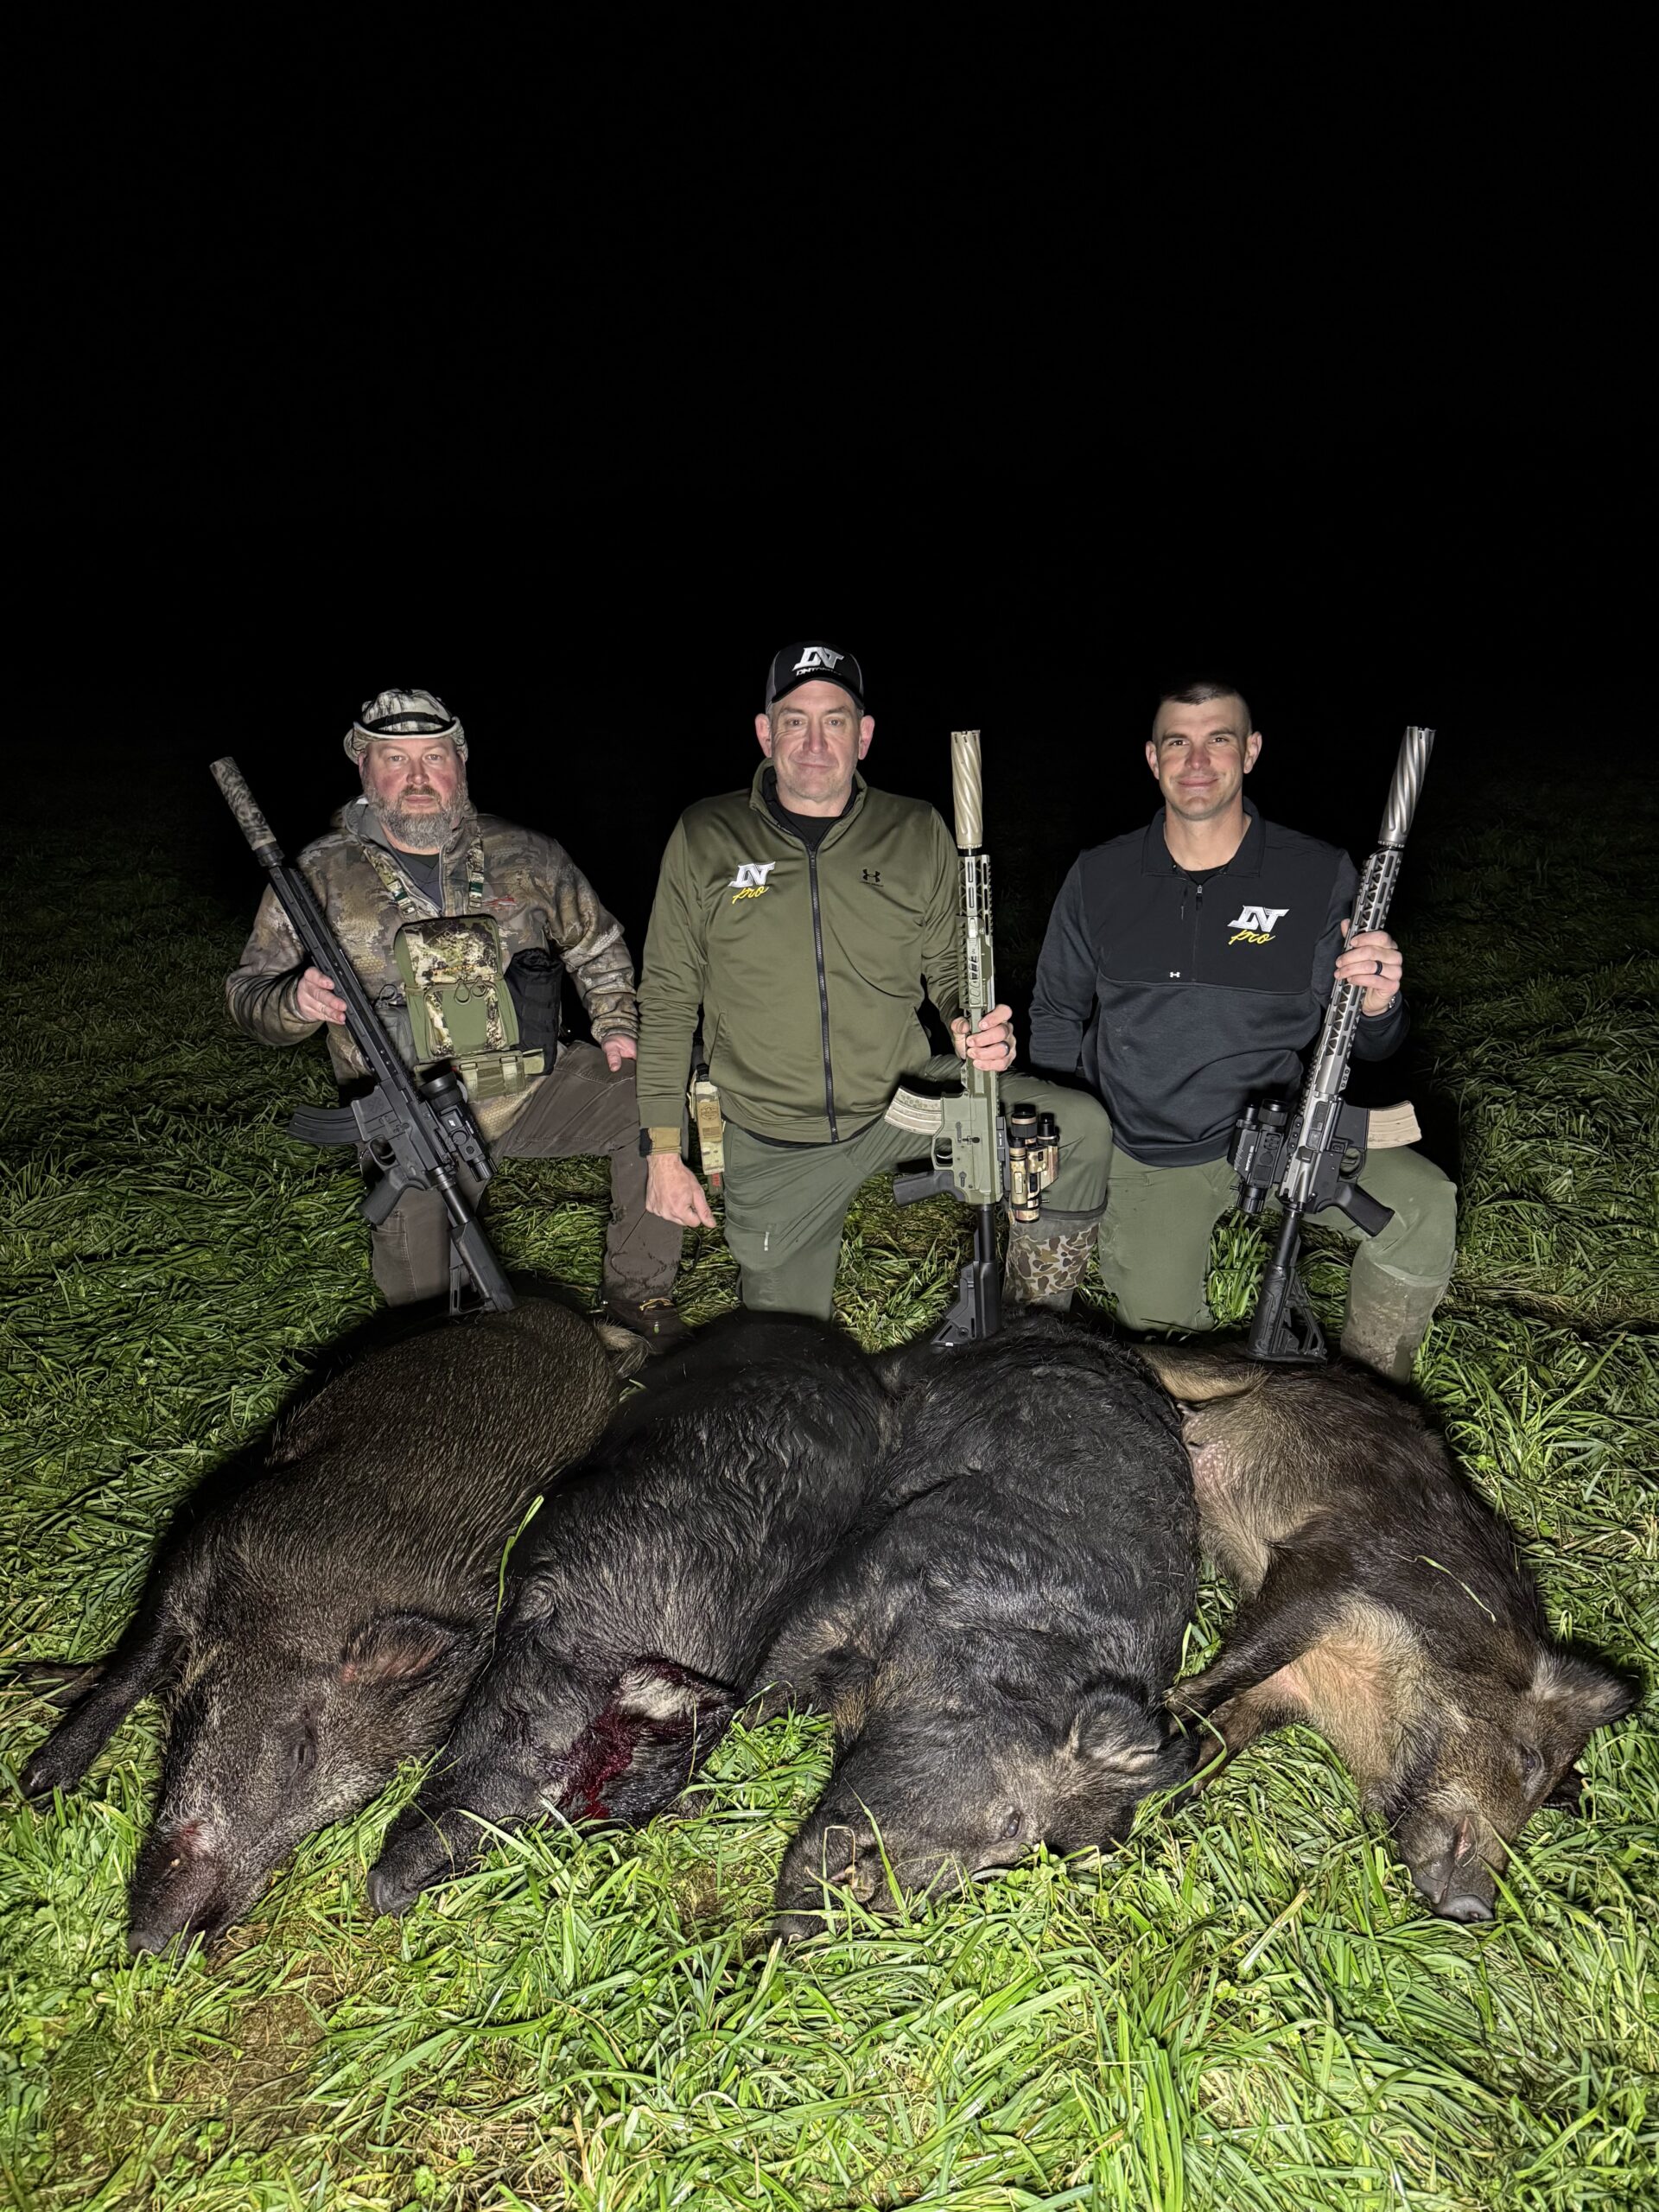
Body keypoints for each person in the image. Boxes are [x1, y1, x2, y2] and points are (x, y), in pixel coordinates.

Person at [634, 642, 1115, 1318]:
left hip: (904, 1101)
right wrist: (662, 1149)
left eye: (834, 721)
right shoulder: (705, 834)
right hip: (776, 1136)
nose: (814, 742)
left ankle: (1033, 1323)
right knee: (785, 1345)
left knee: (1079, 1127)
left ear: (863, 736)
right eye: (795, 720)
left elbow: (951, 963)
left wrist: (970, 1021)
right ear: (765, 733)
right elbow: (667, 996)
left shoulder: (913, 828)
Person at [226, 688, 687, 1345]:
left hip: (527, 1085)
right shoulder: (316, 874)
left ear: (461, 763)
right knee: (425, 1325)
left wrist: (616, 1025)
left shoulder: (528, 853)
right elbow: (247, 995)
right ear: (364, 767)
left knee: (653, 1096)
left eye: (434, 757)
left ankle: (640, 1297)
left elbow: (597, 945)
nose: (418, 778)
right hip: (412, 1115)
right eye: (396, 759)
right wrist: (294, 1002)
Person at [1027, 677, 1457, 1380]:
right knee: (1170, 1355)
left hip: (1284, 1129)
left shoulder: (1316, 873)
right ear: (1153, 758)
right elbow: (1055, 1016)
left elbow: (1370, 1042)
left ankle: (1375, 1395)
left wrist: (1379, 1004)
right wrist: (1067, 1144)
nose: (1197, 760)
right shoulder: (1099, 876)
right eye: (1178, 742)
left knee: (1423, 1205)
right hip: (1152, 1147)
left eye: (1218, 740)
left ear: (1251, 752)